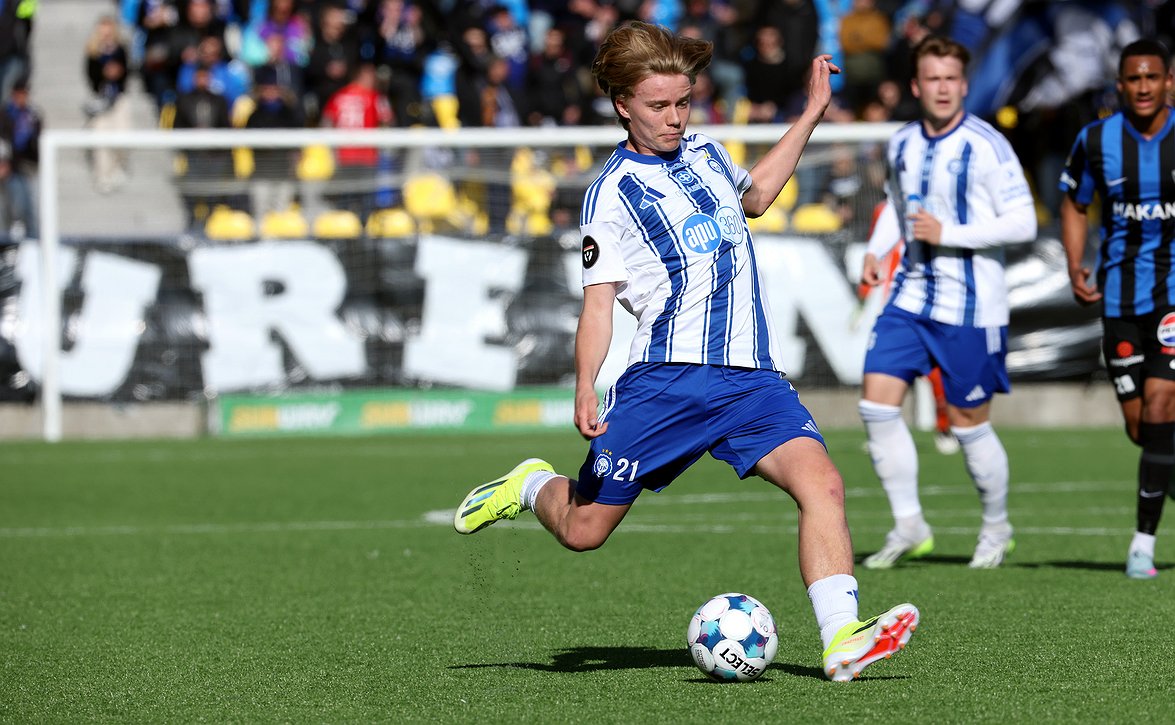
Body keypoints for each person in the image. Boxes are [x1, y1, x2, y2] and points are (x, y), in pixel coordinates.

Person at [452, 20, 919, 682]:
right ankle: (530, 483)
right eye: (658, 106)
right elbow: (597, 302)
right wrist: (585, 384)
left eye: (683, 102)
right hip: (664, 383)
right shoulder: (611, 194)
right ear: (622, 104)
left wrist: (811, 111)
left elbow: (754, 196)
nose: (675, 118)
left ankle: (841, 635)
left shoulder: (704, 151)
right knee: (584, 530)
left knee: (824, 484)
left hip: (749, 379)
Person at [856, 35, 1037, 570]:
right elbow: (896, 205)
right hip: (910, 295)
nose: (941, 88)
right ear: (916, 85)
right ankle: (909, 523)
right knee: (876, 404)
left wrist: (949, 231)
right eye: (931, 78)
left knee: (968, 424)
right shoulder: (903, 142)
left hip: (972, 306)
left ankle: (996, 527)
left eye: (951, 79)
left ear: (964, 84)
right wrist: (877, 249)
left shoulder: (988, 145)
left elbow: (1023, 222)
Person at [1059, 38, 1175, 580]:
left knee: (1159, 409)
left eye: (1153, 77)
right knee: (1142, 429)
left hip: (1173, 299)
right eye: (1134, 79)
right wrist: (1075, 261)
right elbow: (1074, 201)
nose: (1144, 87)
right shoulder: (1097, 139)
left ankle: (1142, 546)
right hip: (1121, 300)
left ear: (1168, 81)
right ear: (1121, 85)